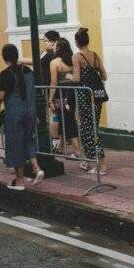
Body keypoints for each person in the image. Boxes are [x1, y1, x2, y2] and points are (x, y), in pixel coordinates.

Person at [0, 44, 44, 190]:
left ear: (4, 57)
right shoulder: (28, 71)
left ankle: (19, 181)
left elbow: (0, 98)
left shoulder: (5, 74)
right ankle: (36, 168)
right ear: (17, 55)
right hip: (30, 112)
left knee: (15, 145)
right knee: (29, 140)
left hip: (15, 114)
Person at [72, 28, 108, 173]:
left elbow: (76, 78)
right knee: (91, 128)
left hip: (84, 96)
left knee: (89, 130)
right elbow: (104, 76)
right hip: (97, 96)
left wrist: (69, 77)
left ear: (76, 42)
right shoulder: (95, 55)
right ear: (87, 41)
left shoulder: (77, 57)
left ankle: (102, 165)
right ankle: (91, 161)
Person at [20, 30, 62, 152]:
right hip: (57, 86)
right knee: (59, 114)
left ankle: (55, 143)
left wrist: (18, 59)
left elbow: (35, 61)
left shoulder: (48, 53)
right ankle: (60, 143)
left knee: (53, 114)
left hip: (49, 86)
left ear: (52, 41)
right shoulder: (59, 53)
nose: (44, 42)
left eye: (45, 40)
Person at [48, 38, 81, 158]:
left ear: (58, 48)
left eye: (55, 46)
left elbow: (53, 82)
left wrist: (50, 98)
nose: (54, 48)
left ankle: (77, 150)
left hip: (60, 95)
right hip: (72, 93)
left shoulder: (55, 62)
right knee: (66, 118)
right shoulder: (72, 60)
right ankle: (61, 146)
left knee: (68, 121)